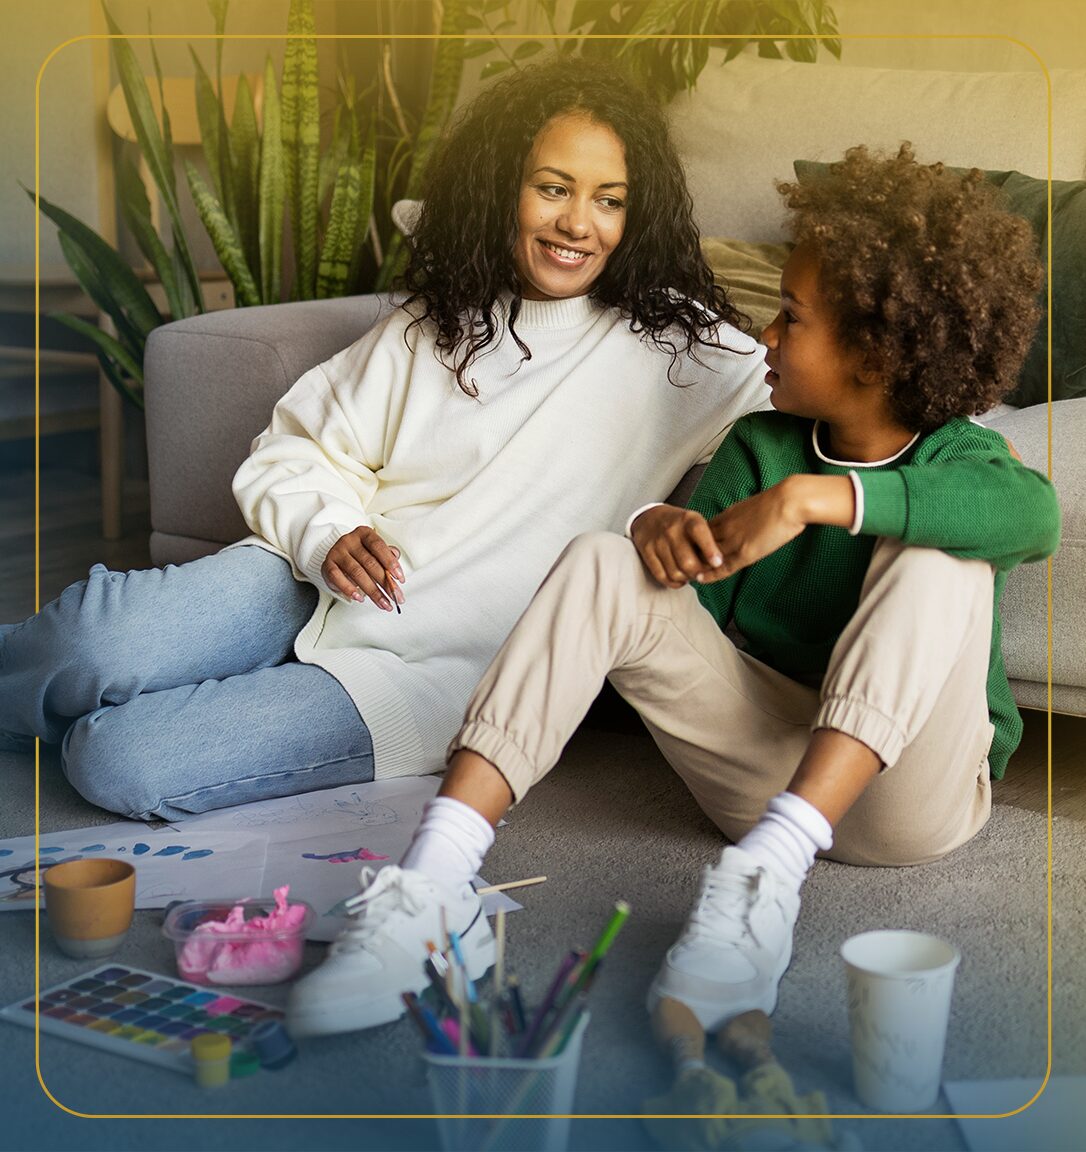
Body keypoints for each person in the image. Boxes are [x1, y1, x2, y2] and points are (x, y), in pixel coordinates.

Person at [285, 143, 1060, 1039]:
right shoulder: (757, 448)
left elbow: (1031, 517)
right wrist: (657, 531)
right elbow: (693, 617)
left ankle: (767, 887)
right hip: (762, 773)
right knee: (600, 555)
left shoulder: (958, 457)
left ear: (875, 353)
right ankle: (430, 885)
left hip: (909, 803)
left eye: (792, 317)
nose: (764, 334)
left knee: (941, 552)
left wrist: (816, 500)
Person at [0, 55, 767, 823]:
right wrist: (328, 533)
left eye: (610, 200)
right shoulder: (429, 326)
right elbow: (296, 449)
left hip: (427, 676)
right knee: (79, 643)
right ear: (504, 185)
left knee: (117, 758)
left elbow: (823, 394)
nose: (578, 223)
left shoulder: (688, 354)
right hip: (307, 583)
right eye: (553, 188)